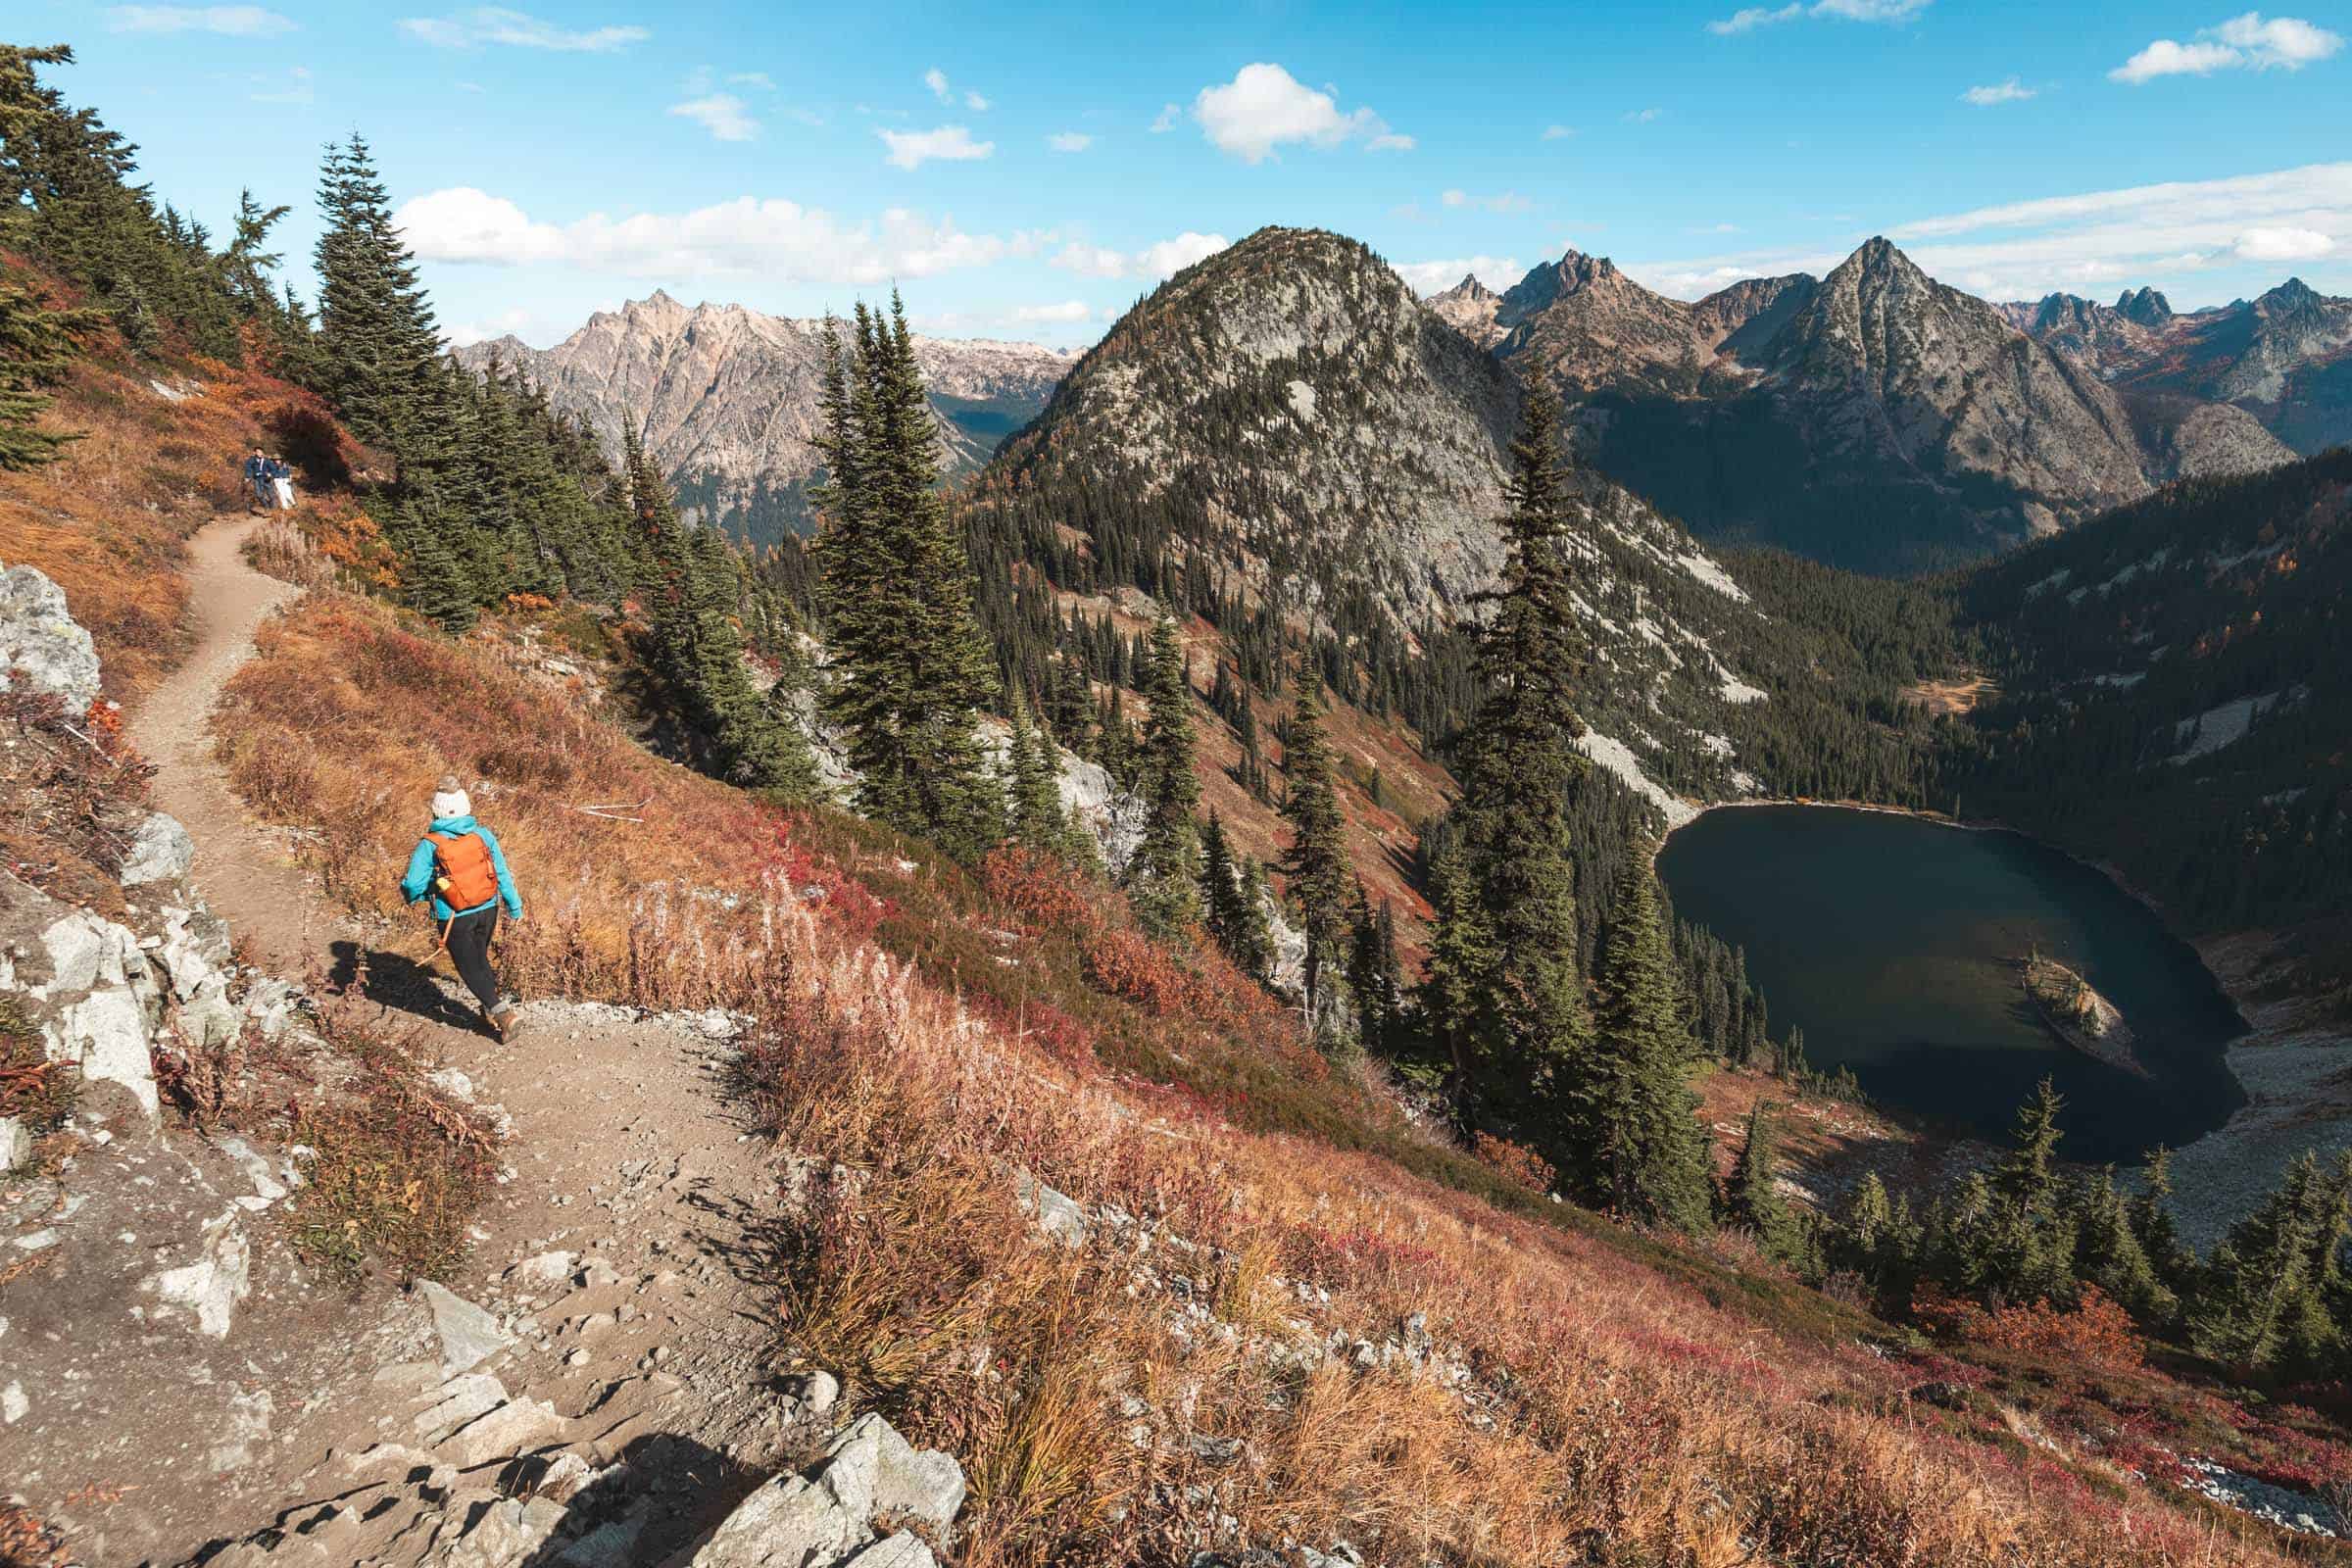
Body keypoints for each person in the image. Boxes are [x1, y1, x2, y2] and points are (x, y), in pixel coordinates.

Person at [399, 774, 526, 1040]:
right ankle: (489, 1012)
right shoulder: (483, 835)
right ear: (466, 806)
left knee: (468, 967)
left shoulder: (430, 844)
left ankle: (503, 1014)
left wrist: (421, 895)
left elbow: (412, 884)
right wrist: (514, 905)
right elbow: (502, 872)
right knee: (479, 958)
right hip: (488, 908)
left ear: (436, 810)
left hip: (454, 915)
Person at [241, 448, 270, 512]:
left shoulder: (266, 460)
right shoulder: (251, 460)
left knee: (269, 495)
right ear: (255, 453)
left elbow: (272, 468)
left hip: (266, 479)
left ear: (263, 453)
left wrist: (270, 474)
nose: (259, 453)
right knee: (259, 495)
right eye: (258, 452)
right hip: (256, 479)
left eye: (260, 452)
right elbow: (248, 468)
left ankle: (271, 509)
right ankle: (266, 506)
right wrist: (247, 477)